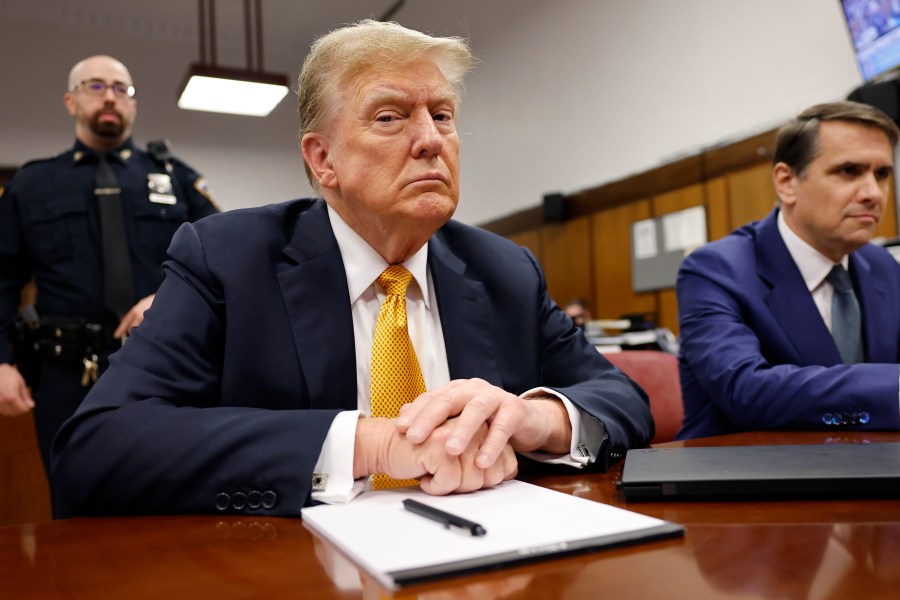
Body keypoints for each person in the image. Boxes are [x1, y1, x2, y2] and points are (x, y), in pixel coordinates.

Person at [52, 21, 653, 517]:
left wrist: (533, 419)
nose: (431, 140)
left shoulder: (504, 269)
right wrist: (372, 444)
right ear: (323, 160)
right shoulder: (227, 260)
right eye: (390, 117)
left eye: (443, 115)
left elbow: (622, 398)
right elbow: (98, 446)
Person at [0, 55, 219, 501]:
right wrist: (1, 362)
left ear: (133, 105)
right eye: (95, 86)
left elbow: (221, 260)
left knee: (168, 495)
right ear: (71, 101)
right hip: (64, 373)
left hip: (161, 363)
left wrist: (167, 296)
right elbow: (2, 280)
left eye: (122, 89)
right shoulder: (32, 184)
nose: (110, 97)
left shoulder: (176, 178)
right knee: (72, 500)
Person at [676, 101, 900, 439]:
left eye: (882, 174)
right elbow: (746, 390)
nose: (873, 193)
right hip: (742, 467)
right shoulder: (716, 269)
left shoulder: (882, 265)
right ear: (787, 182)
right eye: (849, 171)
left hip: (870, 460)